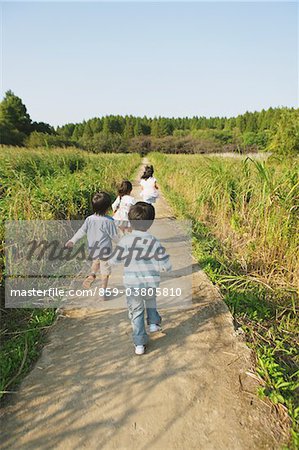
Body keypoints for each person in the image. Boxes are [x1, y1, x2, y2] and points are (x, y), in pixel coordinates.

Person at [109, 202, 172, 355]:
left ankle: (139, 344)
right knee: (150, 302)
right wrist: (166, 267)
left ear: (130, 221)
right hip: (151, 282)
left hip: (132, 284)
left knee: (136, 312)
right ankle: (153, 323)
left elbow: (114, 260)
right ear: (150, 222)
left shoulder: (125, 240)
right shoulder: (153, 240)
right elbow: (164, 261)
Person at [65, 192, 118, 293]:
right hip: (105, 250)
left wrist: (72, 240)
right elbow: (114, 237)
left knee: (96, 262)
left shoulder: (89, 219)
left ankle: (92, 274)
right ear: (108, 208)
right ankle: (103, 289)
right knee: (105, 270)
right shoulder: (109, 221)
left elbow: (81, 231)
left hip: (93, 249)